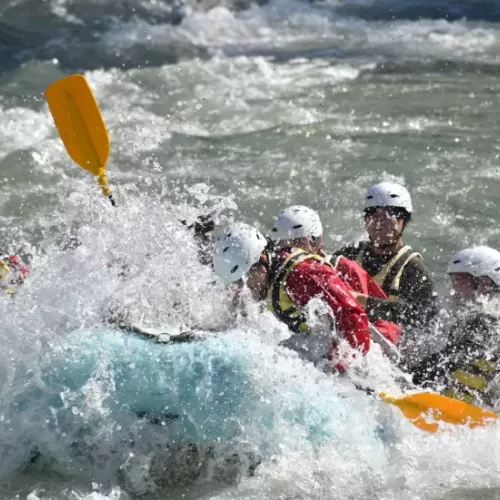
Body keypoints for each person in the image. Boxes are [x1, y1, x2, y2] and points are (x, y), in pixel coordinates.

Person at [213, 222, 372, 370]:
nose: (244, 287)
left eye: (245, 277)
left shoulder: (300, 275)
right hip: (314, 343)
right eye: (236, 282)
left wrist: (347, 367)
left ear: (261, 259)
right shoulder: (262, 278)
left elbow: (351, 314)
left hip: (356, 353)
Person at [270, 205, 402, 345]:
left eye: (296, 244)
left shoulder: (343, 269)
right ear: (318, 240)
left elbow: (386, 328)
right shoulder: (281, 270)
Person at [334, 182, 437, 332]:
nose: (378, 224)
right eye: (373, 216)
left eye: (387, 217)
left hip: (390, 346)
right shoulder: (352, 253)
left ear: (404, 221)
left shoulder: (413, 267)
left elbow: (423, 317)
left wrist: (360, 300)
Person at [412, 246, 500, 408]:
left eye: (460, 280)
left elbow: (459, 354)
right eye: (453, 280)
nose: (455, 288)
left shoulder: (492, 318)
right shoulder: (470, 312)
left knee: (474, 366)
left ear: (485, 283)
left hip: (489, 395)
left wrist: (414, 378)